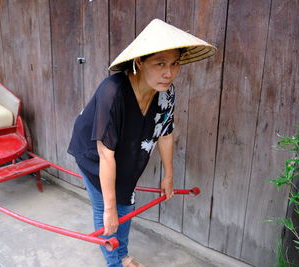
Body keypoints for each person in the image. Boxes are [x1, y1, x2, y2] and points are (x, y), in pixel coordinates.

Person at [68, 19, 216, 267]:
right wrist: (110, 209)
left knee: (126, 201)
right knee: (108, 207)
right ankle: (116, 261)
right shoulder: (112, 91)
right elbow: (106, 155)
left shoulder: (166, 92)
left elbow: (165, 132)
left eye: (175, 64)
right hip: (94, 153)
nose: (169, 73)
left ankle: (121, 253)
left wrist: (168, 175)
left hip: (127, 151)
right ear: (139, 62)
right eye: (160, 64)